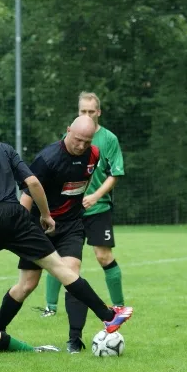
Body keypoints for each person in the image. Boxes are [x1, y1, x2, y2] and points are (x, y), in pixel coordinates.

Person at [0, 109, 133, 361]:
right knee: (60, 269)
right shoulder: (4, 148)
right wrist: (46, 215)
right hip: (13, 216)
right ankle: (108, 316)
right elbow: (32, 183)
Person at [0, 115, 131, 354]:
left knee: (71, 274)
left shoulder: (94, 155)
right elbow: (27, 196)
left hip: (71, 225)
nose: (82, 146)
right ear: (68, 131)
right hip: (38, 226)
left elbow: (81, 183)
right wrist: (19, 229)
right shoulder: (47, 159)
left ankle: (75, 340)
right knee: (26, 285)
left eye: (87, 141)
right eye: (78, 140)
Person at [41, 92, 126, 317]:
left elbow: (115, 173)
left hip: (98, 208)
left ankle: (119, 306)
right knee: (59, 258)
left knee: (103, 256)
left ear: (99, 112)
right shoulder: (70, 136)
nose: (87, 114)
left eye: (91, 111)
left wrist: (95, 196)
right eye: (83, 111)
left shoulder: (109, 139)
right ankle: (50, 307)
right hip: (70, 210)